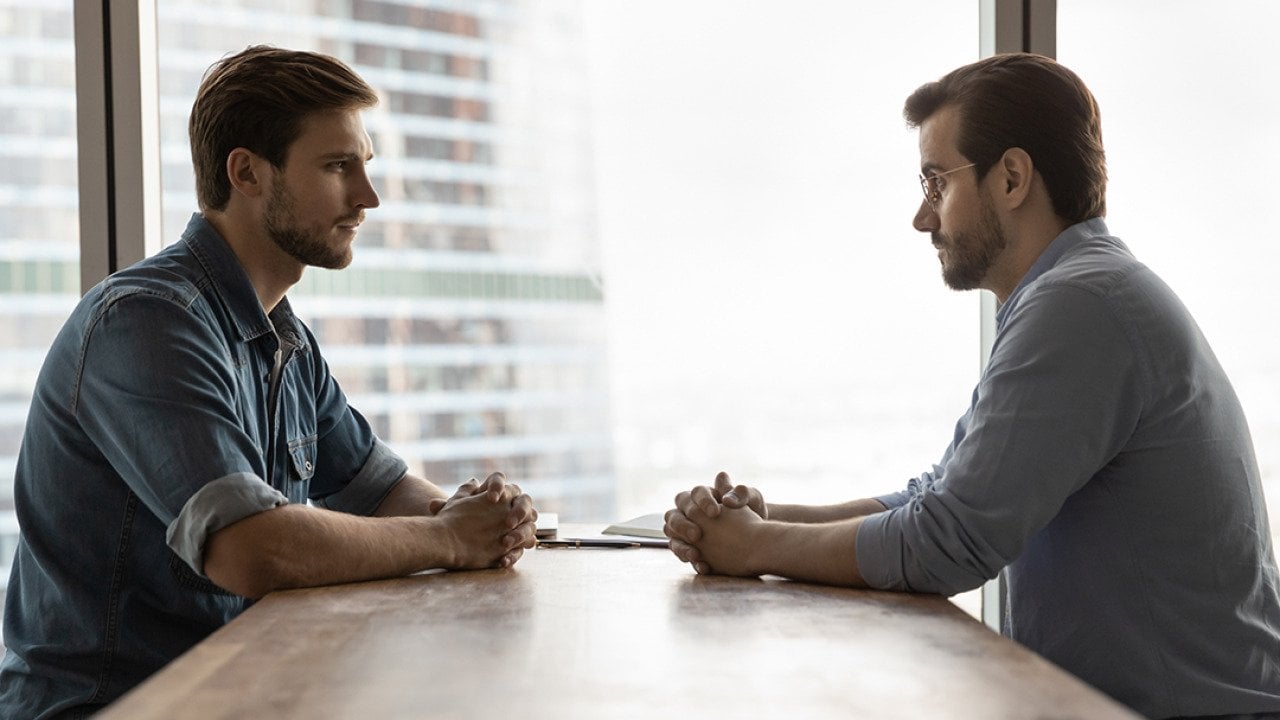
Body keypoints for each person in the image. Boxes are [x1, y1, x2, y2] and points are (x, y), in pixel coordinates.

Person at [664, 53, 1280, 719]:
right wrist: (771, 517)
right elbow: (940, 496)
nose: (922, 219)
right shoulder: (1075, 294)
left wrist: (752, 547)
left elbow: (946, 542)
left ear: (1012, 177)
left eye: (936, 184)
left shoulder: (1081, 306)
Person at [0, 46, 539, 718]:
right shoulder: (146, 322)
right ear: (248, 172)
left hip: (235, 691)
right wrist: (453, 538)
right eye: (339, 166)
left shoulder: (283, 336)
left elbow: (381, 491)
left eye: (364, 167)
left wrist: (482, 516)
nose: (368, 198)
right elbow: (249, 549)